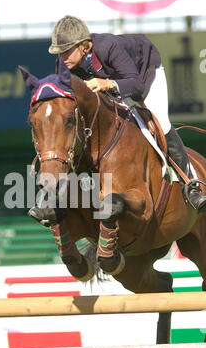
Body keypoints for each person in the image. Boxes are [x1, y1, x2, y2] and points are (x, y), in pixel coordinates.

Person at [48, 15, 206, 213]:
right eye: (58, 53)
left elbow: (136, 85)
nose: (62, 58)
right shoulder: (64, 65)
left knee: (160, 123)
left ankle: (192, 186)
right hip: (111, 84)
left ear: (84, 46)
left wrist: (107, 84)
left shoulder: (107, 46)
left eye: (66, 51)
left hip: (143, 73)